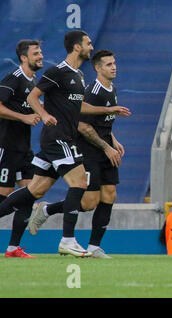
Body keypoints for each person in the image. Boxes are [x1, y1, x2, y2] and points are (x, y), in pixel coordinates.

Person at [0, 30, 131, 258]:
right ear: (77, 47)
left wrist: (108, 110)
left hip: (63, 139)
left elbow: (79, 107)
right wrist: (44, 113)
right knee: (79, 182)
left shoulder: (79, 75)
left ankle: (35, 235)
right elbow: (33, 97)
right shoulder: (57, 71)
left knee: (35, 189)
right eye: (88, 43)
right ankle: (67, 240)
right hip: (57, 138)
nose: (92, 47)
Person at [27, 50, 124, 259]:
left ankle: (94, 247)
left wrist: (113, 141)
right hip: (89, 150)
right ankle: (46, 210)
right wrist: (106, 147)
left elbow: (104, 122)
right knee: (89, 203)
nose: (113, 67)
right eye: (108, 64)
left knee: (110, 195)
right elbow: (81, 124)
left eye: (114, 63)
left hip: (106, 150)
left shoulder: (112, 89)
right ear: (97, 68)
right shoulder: (92, 91)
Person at [0, 40, 43, 257]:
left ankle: (13, 247)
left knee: (30, 192)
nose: (41, 56)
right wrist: (23, 117)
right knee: (4, 194)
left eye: (40, 52)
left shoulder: (33, 81)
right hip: (6, 146)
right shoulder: (13, 79)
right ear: (24, 57)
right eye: (36, 53)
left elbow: (31, 106)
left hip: (24, 148)